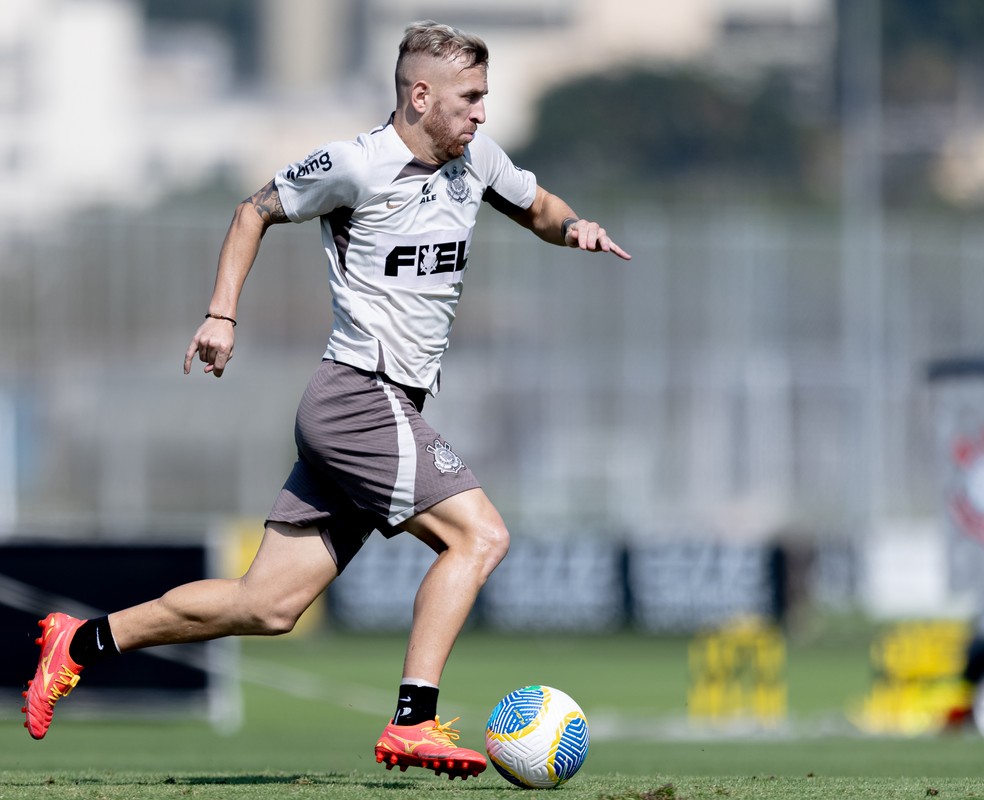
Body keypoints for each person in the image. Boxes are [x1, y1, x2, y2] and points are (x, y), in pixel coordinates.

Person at [21, 20, 631, 779]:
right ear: (419, 95)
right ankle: (414, 719)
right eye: (469, 98)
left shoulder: (477, 160)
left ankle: (78, 642)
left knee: (268, 605)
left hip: (383, 407)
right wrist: (221, 313)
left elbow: (535, 203)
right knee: (481, 537)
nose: (481, 113)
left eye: (484, 98)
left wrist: (573, 228)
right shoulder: (354, 164)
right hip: (357, 399)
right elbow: (253, 210)